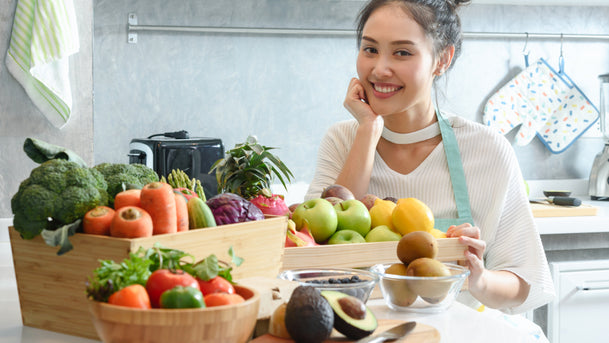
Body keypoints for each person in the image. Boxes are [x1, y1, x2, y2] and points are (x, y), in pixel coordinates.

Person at [305, 0, 555, 315]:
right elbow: (314, 251)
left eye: (402, 52)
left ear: (442, 59)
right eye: (370, 49)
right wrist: (368, 129)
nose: (380, 68)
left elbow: (523, 282)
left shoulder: (486, 149)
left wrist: (477, 278)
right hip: (360, 330)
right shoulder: (342, 140)